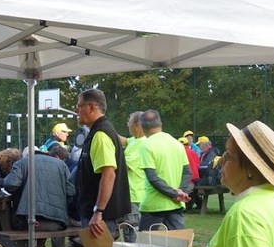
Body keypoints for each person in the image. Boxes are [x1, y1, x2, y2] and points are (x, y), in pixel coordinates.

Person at [75, 89, 131, 238]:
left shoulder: (101, 134)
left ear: (92, 107)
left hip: (101, 217)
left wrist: (98, 211)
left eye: (79, 106)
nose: (76, 110)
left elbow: (109, 174)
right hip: (98, 213)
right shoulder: (99, 131)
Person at [3, 147, 75, 247]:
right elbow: (71, 191)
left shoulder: (23, 162)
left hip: (30, 219)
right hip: (58, 221)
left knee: (34, 236)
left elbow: (10, 184)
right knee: (56, 236)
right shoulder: (61, 165)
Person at [138, 110, 192, 231]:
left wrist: (175, 193)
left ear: (141, 126)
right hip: (176, 203)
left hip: (153, 205)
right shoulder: (177, 143)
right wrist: (180, 192)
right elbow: (187, 172)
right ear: (160, 123)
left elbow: (152, 178)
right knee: (179, 246)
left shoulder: (146, 145)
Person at [123, 112, 145, 238]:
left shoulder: (142, 144)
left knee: (131, 232)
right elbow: (124, 140)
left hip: (135, 195)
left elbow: (124, 166)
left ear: (137, 125)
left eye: (129, 123)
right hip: (131, 195)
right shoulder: (134, 140)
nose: (128, 125)